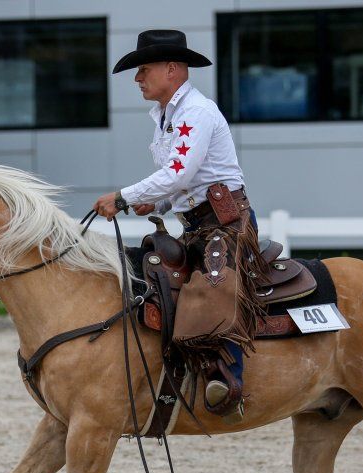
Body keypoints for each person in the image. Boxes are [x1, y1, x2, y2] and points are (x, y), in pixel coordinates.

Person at [93, 29, 262, 423]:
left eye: (144, 69)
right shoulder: (169, 116)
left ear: (172, 69)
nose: (138, 78)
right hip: (200, 222)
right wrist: (160, 201)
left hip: (225, 224)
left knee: (214, 287)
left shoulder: (195, 113)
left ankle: (228, 379)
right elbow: (185, 181)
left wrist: (124, 197)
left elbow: (177, 172)